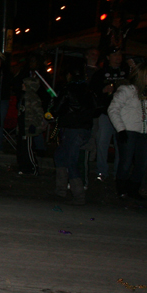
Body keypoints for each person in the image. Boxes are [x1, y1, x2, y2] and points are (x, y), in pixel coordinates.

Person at [108, 64, 147, 200]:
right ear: (143, 76)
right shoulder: (126, 90)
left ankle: (134, 189)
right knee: (125, 162)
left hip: (145, 133)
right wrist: (121, 129)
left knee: (142, 163)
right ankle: (121, 189)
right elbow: (113, 109)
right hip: (129, 131)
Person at [51, 63, 96, 204]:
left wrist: (53, 110)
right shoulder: (89, 90)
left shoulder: (67, 89)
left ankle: (79, 195)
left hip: (72, 129)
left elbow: (57, 108)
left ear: (69, 75)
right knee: (60, 155)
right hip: (83, 129)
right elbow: (98, 107)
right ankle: (61, 190)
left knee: (71, 160)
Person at [89, 48, 129, 182]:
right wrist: (103, 90)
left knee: (121, 144)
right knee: (102, 142)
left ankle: (118, 172)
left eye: (120, 54)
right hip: (106, 113)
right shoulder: (101, 73)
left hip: (123, 114)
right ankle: (101, 171)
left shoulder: (127, 73)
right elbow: (93, 90)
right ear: (108, 57)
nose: (118, 57)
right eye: (114, 55)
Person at [16, 77, 44, 176]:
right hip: (22, 127)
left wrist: (34, 124)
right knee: (21, 149)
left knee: (28, 149)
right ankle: (23, 167)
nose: (22, 86)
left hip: (28, 127)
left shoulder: (32, 97)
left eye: (24, 84)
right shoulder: (24, 96)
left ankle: (33, 167)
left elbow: (39, 114)